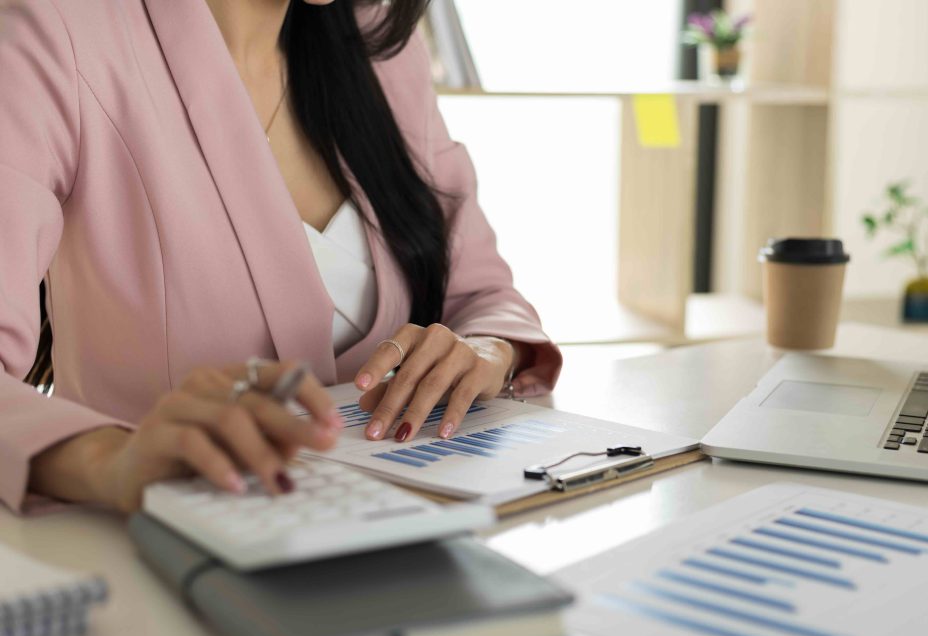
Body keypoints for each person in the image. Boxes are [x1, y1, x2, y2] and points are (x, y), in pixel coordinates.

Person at [0, 0, 561, 514]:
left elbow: (482, 296)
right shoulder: (52, 32)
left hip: (420, 532)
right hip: (168, 548)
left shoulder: (380, 43)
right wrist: (110, 458)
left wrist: (489, 350)